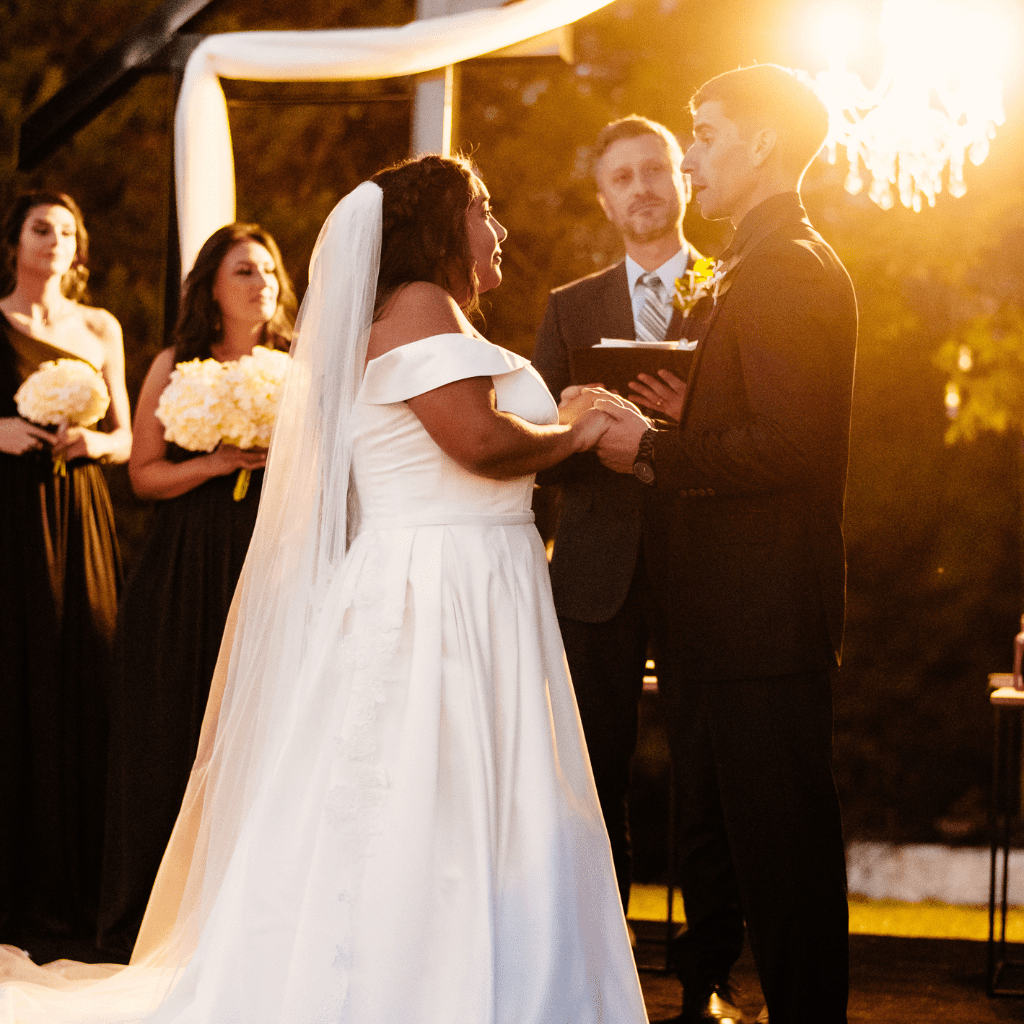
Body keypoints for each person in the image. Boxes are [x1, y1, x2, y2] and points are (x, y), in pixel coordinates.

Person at [0, 154, 648, 1024]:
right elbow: (477, 443)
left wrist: (556, 417)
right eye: (482, 209)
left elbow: (473, 432)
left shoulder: (418, 311)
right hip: (442, 585)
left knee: (452, 795)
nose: (497, 228)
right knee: (435, 793)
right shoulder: (419, 302)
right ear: (431, 226)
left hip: (467, 573)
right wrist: (571, 432)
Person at [595, 65, 857, 1024]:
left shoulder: (789, 265)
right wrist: (689, 405)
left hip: (762, 620)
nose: (690, 155)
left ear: (764, 145)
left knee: (783, 860)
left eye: (705, 134)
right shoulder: (751, 262)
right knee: (733, 843)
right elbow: (761, 414)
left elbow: (794, 443)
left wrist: (652, 447)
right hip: (722, 619)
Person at [532, 117, 745, 1017]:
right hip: (595, 566)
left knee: (707, 778)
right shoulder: (569, 307)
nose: (644, 186)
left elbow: (763, 424)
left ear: (682, 180)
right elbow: (534, 444)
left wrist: (692, 415)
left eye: (657, 168)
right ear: (604, 196)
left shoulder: (735, 289)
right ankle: (599, 978)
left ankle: (704, 986)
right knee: (592, 777)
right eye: (623, 176)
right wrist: (587, 425)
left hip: (706, 561)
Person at [97, 223, 296, 957]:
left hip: (270, 558)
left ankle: (248, 922)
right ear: (212, 286)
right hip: (185, 564)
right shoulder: (175, 363)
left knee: (264, 729)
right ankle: (150, 918)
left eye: (269, 271)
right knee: (173, 731)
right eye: (245, 270)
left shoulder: (300, 365)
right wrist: (215, 464)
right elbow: (144, 474)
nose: (261, 282)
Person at [0, 191, 132, 944]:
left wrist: (96, 447)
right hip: (10, 516)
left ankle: (77, 885)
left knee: (83, 675)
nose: (54, 240)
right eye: (40, 227)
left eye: (67, 231)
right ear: (14, 241)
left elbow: (126, 436)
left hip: (80, 509)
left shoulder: (99, 327)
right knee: (16, 678)